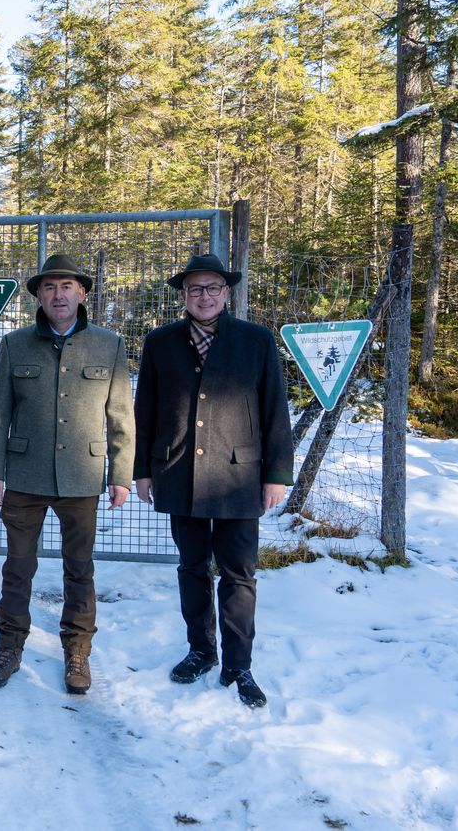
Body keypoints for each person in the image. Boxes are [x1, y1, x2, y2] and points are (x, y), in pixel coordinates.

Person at [133, 253, 294, 709]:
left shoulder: (256, 341)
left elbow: (275, 411)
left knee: (239, 575)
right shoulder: (160, 342)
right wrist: (141, 469)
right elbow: (144, 409)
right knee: (191, 567)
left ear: (227, 293)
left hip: (239, 477)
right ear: (183, 296)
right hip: (178, 472)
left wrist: (276, 474)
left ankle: (238, 664)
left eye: (212, 288)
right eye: (194, 289)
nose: (204, 297)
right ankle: (201, 650)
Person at [0, 255, 134, 695]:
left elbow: (121, 416)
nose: (58, 294)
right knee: (18, 568)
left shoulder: (109, 345)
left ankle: (77, 652)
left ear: (82, 293)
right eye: (49, 287)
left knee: (79, 569)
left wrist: (120, 473)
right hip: (25, 477)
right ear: (39, 296)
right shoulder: (15, 345)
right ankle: (9, 646)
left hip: (82, 476)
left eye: (67, 286)